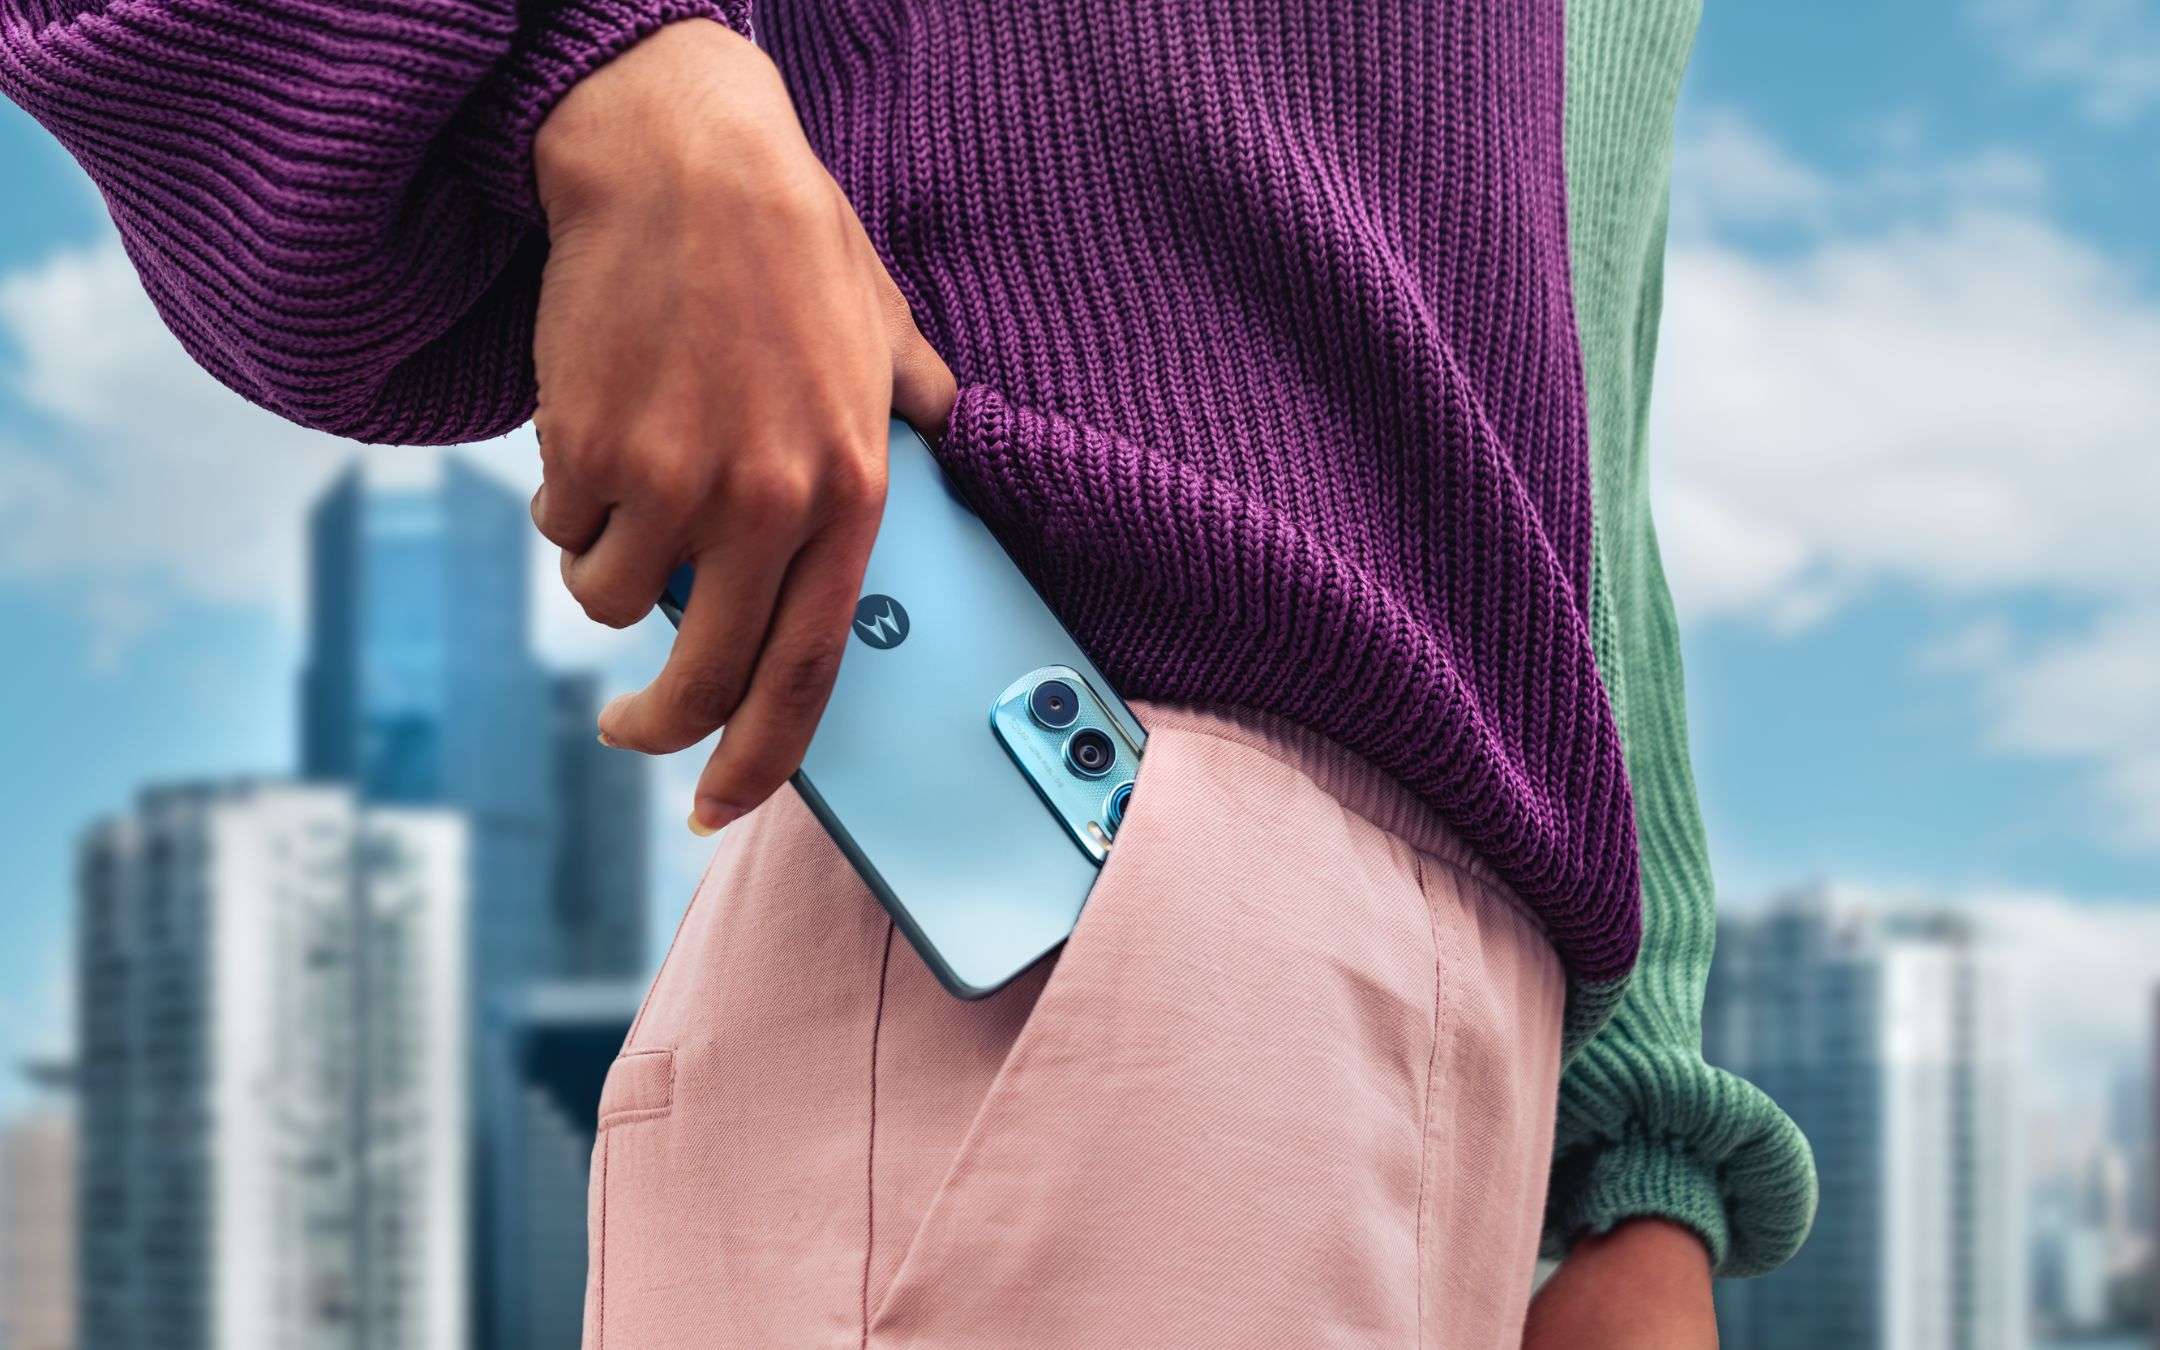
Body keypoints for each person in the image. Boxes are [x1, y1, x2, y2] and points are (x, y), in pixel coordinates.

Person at [1, 0, 1815, 1344]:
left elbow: (1582, 406)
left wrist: (1636, 1167)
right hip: (1075, 854)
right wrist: (617, 80)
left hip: (1474, 1033)